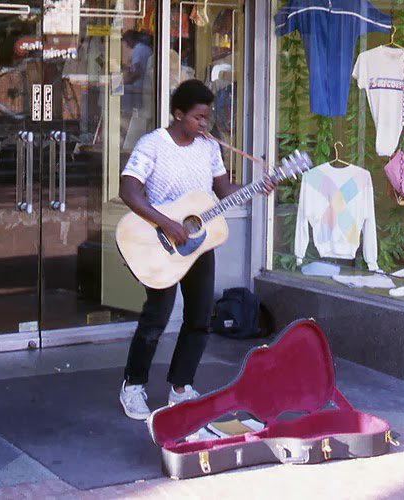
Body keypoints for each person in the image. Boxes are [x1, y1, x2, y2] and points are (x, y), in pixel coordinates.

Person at [118, 79, 277, 420]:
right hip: (159, 244)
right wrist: (167, 223)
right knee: (156, 318)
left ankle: (180, 387)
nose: (205, 124)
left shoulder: (208, 148)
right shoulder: (153, 145)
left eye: (207, 118)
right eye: (198, 117)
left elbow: (222, 189)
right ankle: (133, 385)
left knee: (200, 318)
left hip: (199, 244)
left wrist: (257, 187)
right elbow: (129, 192)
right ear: (178, 114)